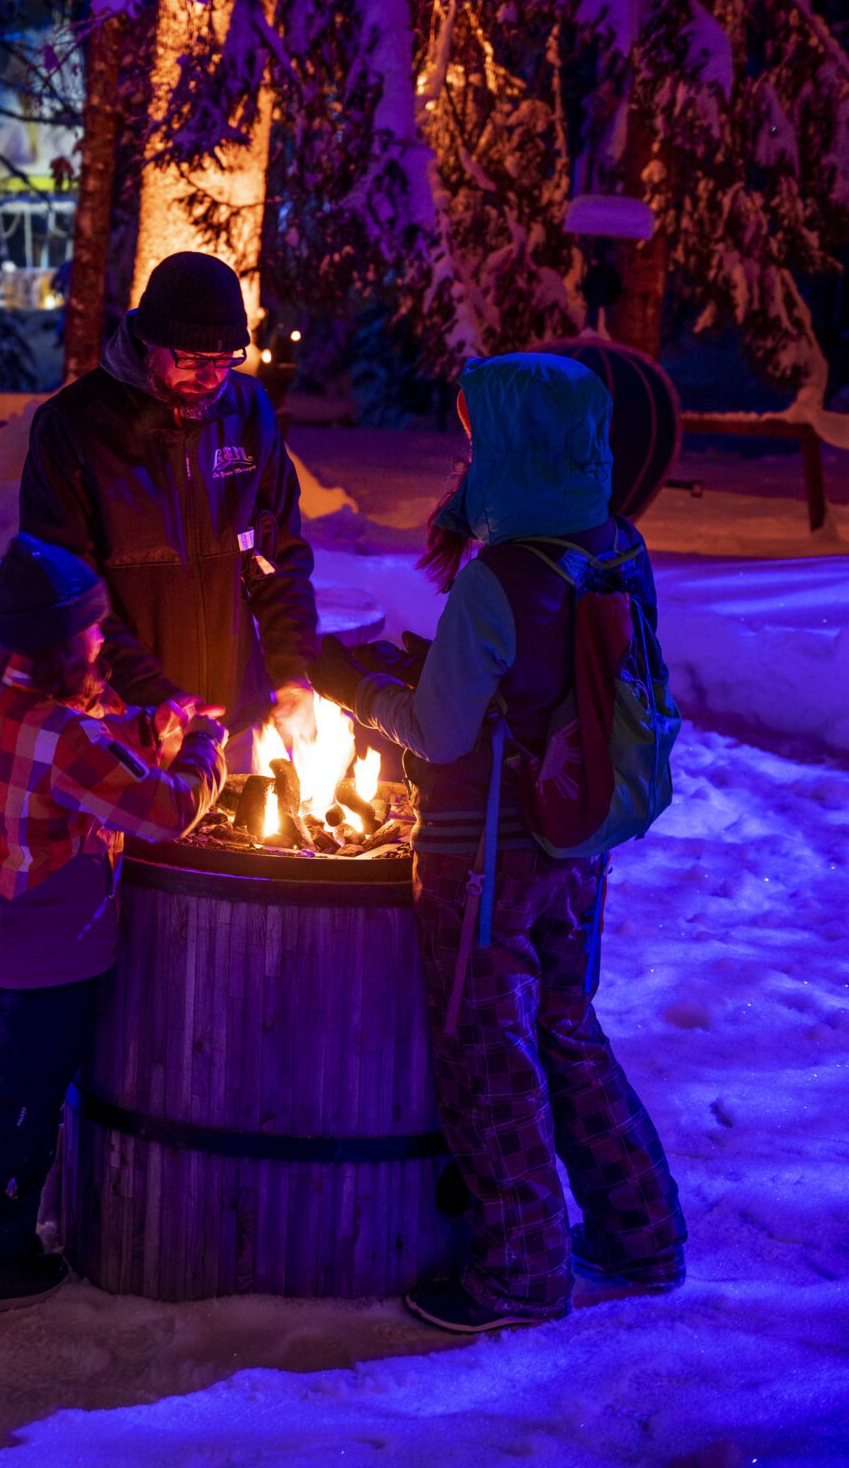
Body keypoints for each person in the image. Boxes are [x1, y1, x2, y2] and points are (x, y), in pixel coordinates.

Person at [311, 352, 686, 1336]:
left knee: (490, 1056)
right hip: (577, 843)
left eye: (481, 437)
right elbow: (553, 679)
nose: (467, 452)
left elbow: (436, 734)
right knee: (565, 1026)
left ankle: (520, 1270)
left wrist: (348, 683)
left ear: (517, 444)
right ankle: (641, 1230)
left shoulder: (499, 579)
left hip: (483, 857)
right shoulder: (613, 546)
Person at [0, 532, 227, 1317]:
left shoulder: (5, 700)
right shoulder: (69, 736)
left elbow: (97, 745)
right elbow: (162, 811)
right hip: (49, 957)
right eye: (91, 631)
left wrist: (166, 719)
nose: (102, 639)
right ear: (63, 646)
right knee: (19, 1107)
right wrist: (205, 749)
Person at [20, 250, 318, 751]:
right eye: (195, 360)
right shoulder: (74, 427)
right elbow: (66, 594)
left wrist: (292, 671)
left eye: (226, 360)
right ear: (148, 340)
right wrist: (160, 701)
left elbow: (279, 557)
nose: (213, 378)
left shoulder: (247, 412)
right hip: (122, 727)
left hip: (231, 723)